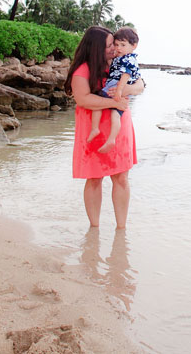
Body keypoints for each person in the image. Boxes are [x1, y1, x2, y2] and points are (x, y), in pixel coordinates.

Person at [64, 26, 144, 229]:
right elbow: (83, 99)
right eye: (110, 45)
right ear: (96, 47)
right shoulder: (83, 70)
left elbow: (140, 85)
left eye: (116, 44)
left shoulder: (119, 61)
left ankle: (121, 229)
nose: (114, 48)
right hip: (94, 125)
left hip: (118, 124)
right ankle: (94, 228)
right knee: (94, 177)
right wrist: (114, 102)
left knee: (121, 177)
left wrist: (125, 89)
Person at [89, 27, 140, 154]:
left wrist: (119, 91)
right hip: (116, 85)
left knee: (98, 103)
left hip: (116, 85)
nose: (118, 48)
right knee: (114, 114)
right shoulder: (121, 56)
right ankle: (108, 137)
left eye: (122, 45)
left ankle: (101, 132)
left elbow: (126, 75)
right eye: (116, 45)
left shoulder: (129, 59)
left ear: (134, 46)